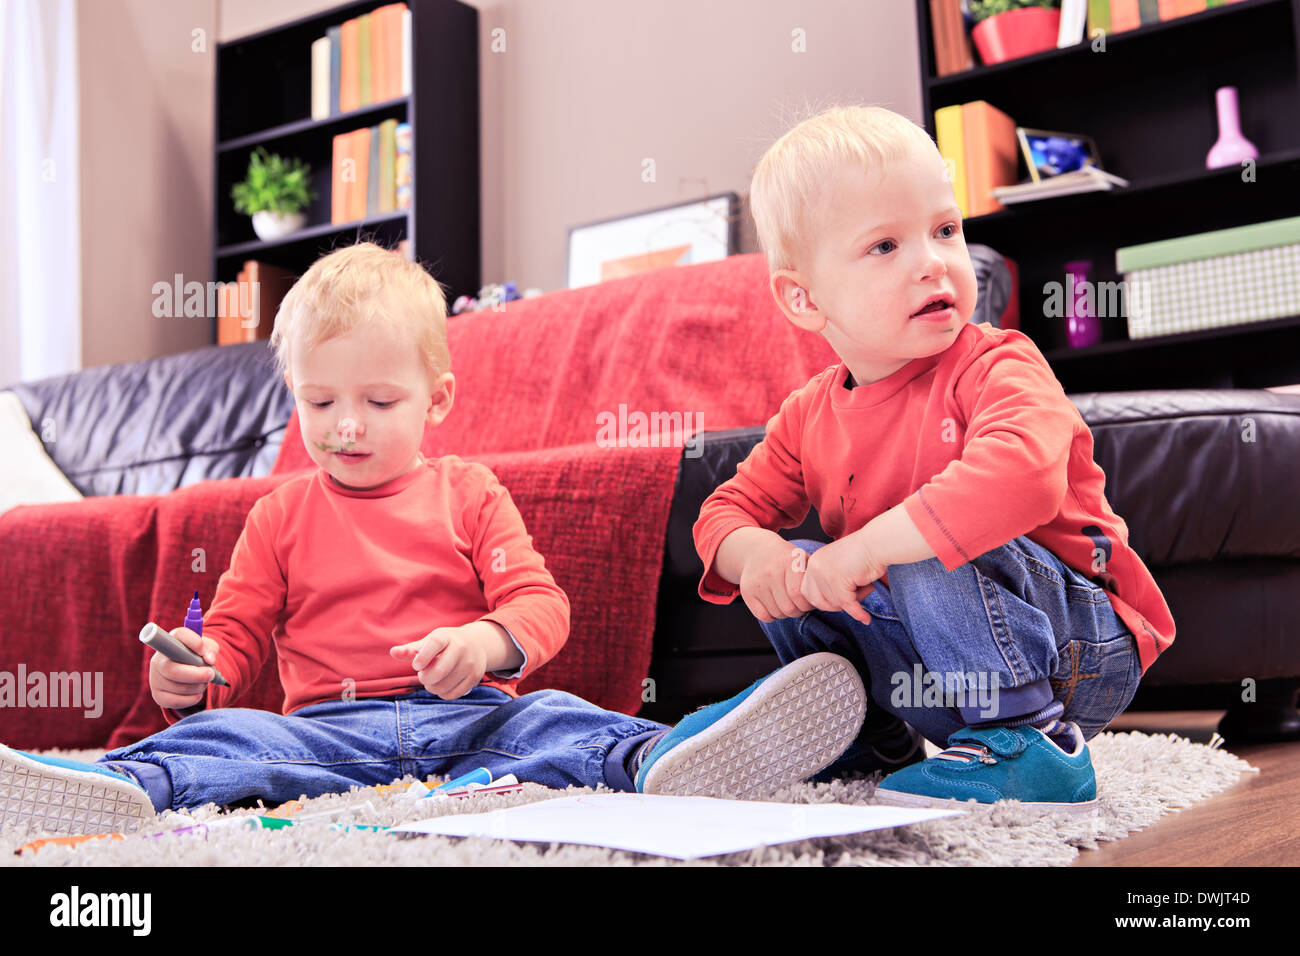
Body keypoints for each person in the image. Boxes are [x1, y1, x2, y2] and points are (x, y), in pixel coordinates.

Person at [0, 242, 866, 837]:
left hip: (469, 721)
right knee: (224, 746)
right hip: (326, 734)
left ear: (436, 400)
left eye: (378, 403)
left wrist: (485, 642)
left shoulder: (469, 492)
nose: (345, 427)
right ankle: (109, 789)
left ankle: (671, 756)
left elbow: (540, 607)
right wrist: (192, 673)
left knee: (562, 723)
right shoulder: (278, 515)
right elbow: (233, 640)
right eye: (319, 402)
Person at [692, 105, 1177, 813]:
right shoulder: (808, 414)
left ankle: (1029, 740)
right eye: (885, 246)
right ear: (803, 298)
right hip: (933, 669)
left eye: (945, 230)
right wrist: (756, 558)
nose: (933, 261)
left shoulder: (998, 363)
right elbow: (724, 512)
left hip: (1079, 650)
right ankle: (866, 741)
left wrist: (864, 548)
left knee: (921, 538)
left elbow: (1021, 475)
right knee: (796, 570)